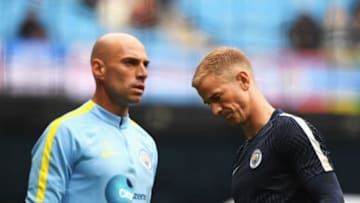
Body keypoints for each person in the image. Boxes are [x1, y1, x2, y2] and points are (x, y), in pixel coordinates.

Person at [191, 47, 344, 203]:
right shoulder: (241, 159)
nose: (215, 110)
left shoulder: (289, 129)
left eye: (217, 97)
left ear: (243, 80)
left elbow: (332, 198)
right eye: (209, 103)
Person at [25, 33, 158, 203]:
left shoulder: (147, 144)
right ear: (99, 69)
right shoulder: (65, 132)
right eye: (130, 63)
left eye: (145, 65)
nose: (142, 73)